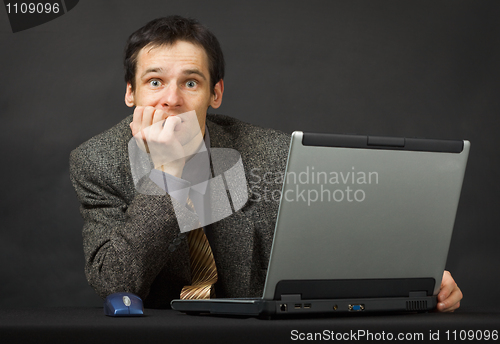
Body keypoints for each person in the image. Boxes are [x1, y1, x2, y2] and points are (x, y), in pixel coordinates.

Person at [70, 16, 462, 311]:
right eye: (155, 82)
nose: (171, 99)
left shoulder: (272, 152)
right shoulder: (97, 161)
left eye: (191, 82)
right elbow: (115, 280)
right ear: (130, 93)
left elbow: (330, 245)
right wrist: (168, 174)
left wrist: (414, 278)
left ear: (215, 93)